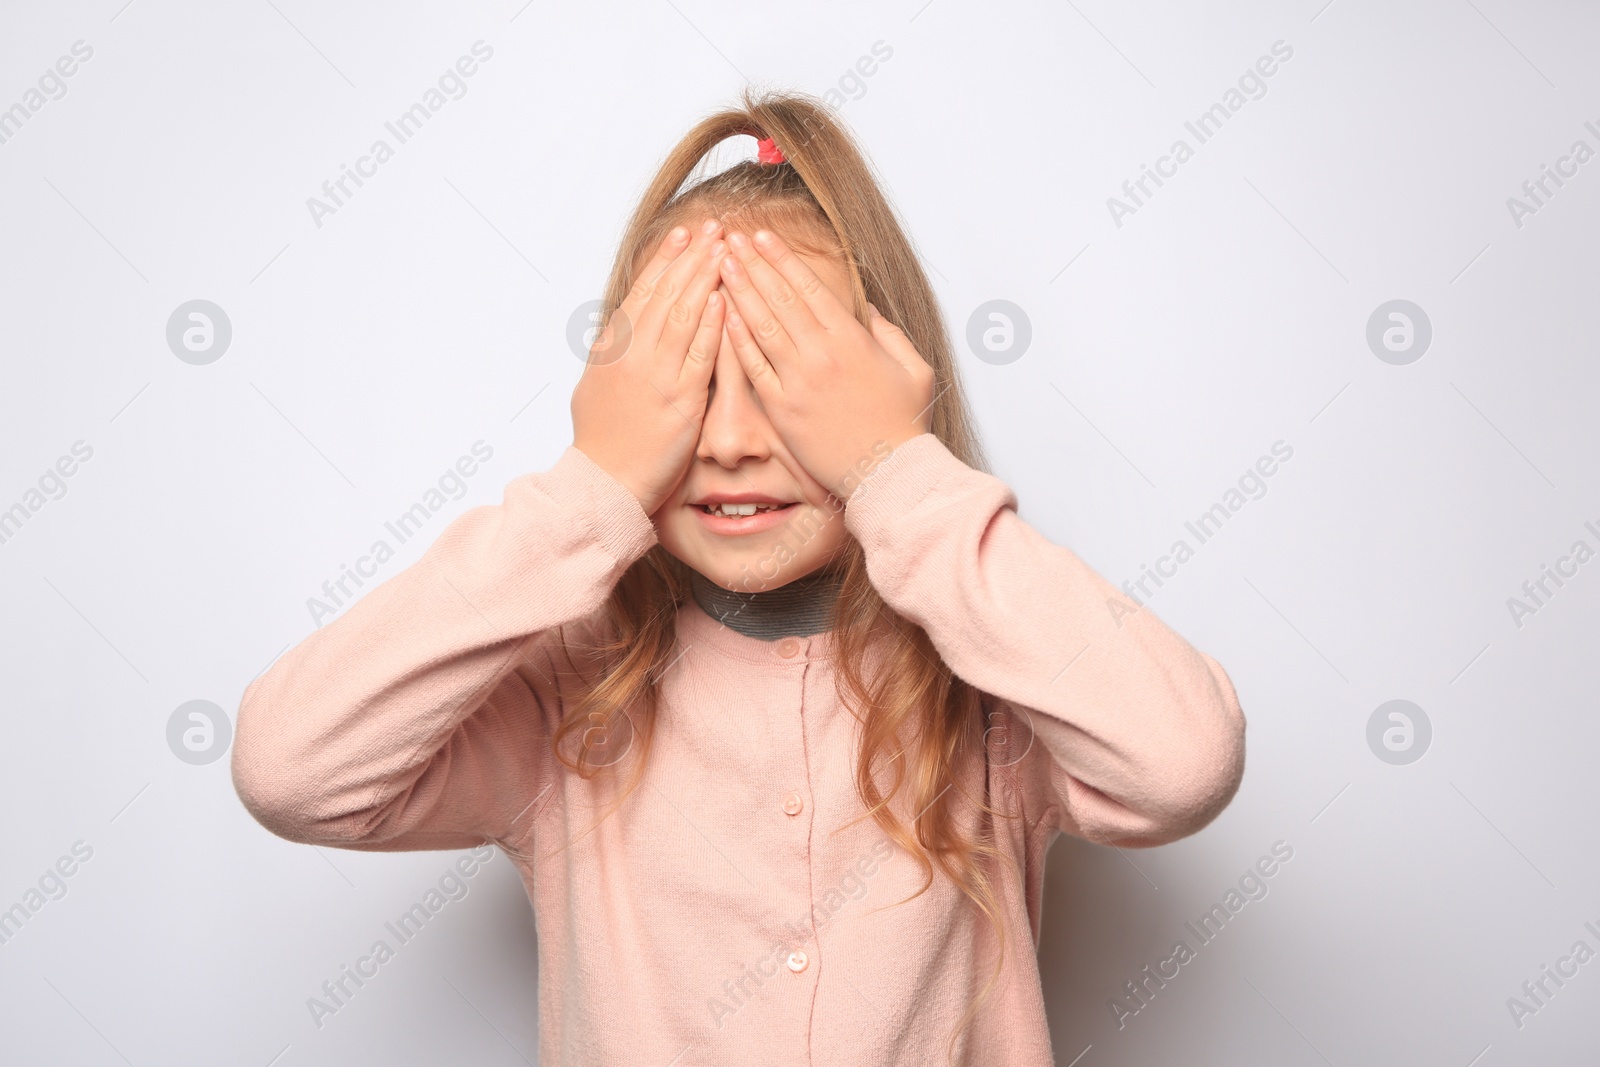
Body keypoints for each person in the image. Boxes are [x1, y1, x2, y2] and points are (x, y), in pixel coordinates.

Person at [231, 88, 1246, 1066]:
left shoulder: (987, 688)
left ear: (886, 393)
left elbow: (1182, 763)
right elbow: (292, 770)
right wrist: (593, 488)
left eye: (782, 385)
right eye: (686, 388)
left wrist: (894, 470)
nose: (726, 442)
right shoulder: (564, 702)